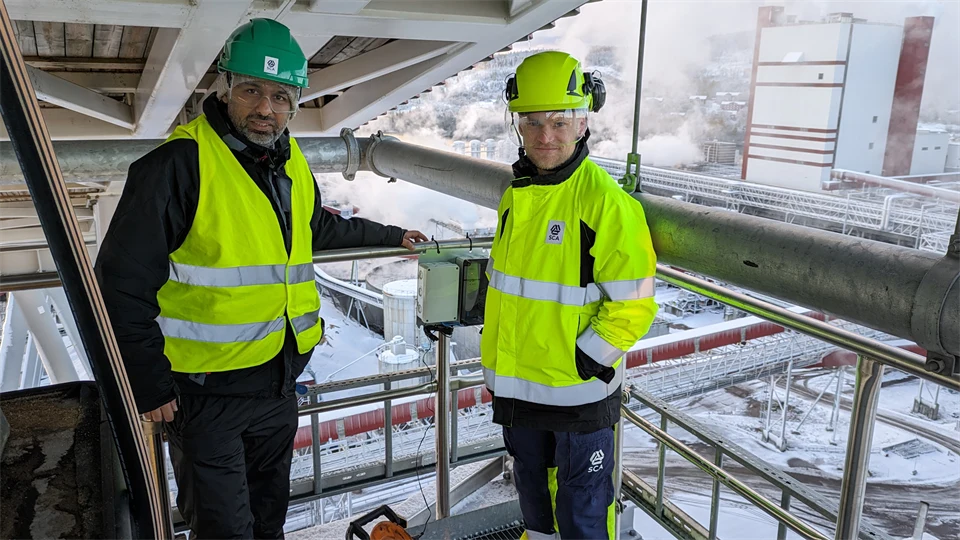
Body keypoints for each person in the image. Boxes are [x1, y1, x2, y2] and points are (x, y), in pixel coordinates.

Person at [95, 18, 427, 540]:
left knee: (269, 520)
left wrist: (389, 234)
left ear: (296, 101)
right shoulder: (178, 165)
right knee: (224, 530)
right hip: (206, 395)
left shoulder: (289, 159)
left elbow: (313, 227)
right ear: (224, 88)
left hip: (278, 385)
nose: (264, 108)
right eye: (250, 90)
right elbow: (118, 281)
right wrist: (147, 380)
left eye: (279, 95)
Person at [480, 51, 659, 540]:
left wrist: (585, 361)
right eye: (532, 123)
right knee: (536, 514)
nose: (545, 137)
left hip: (577, 400)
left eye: (560, 122)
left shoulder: (607, 205)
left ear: (584, 122)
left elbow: (636, 304)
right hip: (520, 392)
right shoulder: (517, 194)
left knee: (581, 519)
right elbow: (512, 291)